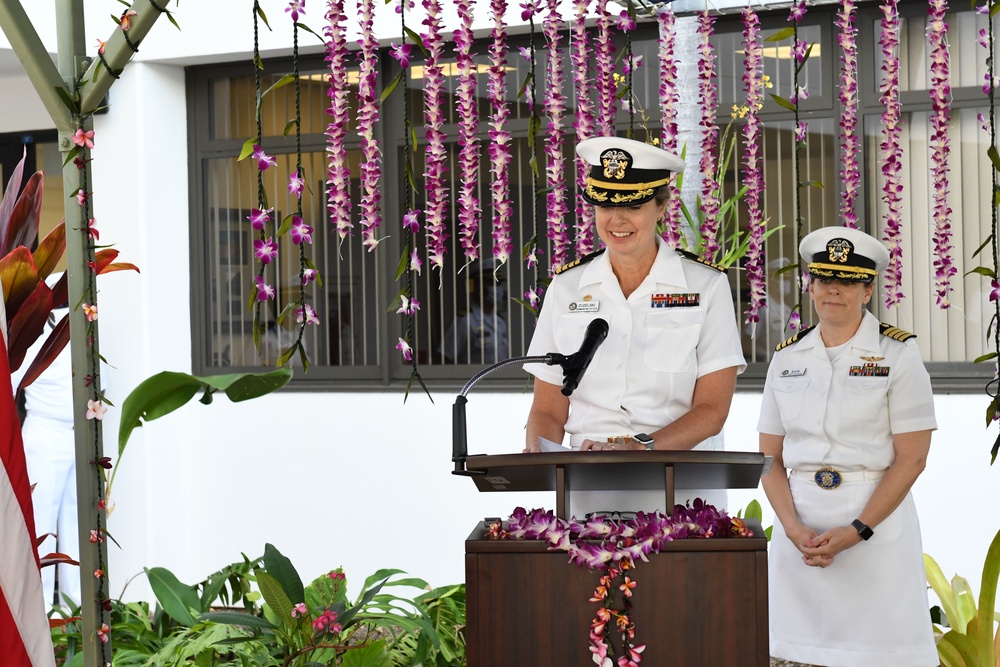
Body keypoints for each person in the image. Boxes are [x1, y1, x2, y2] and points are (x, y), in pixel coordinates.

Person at [523, 136, 746, 515]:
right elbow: (548, 409)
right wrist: (537, 456)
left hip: (679, 488)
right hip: (586, 486)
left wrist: (641, 446)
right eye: (604, 204)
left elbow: (712, 409)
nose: (616, 220)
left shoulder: (705, 286)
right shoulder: (566, 287)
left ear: (662, 205)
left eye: (633, 205)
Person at [757, 226, 937, 666]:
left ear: (868, 290)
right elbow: (769, 459)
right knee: (794, 655)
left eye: (849, 280)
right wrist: (792, 528)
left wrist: (858, 531)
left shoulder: (898, 354)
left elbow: (912, 459)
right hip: (799, 531)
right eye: (824, 279)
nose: (833, 290)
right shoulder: (787, 357)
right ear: (811, 286)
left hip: (874, 533)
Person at [11, 298, 80, 609]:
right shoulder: (30, 334)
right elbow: (10, 387)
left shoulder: (84, 330)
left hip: (78, 434)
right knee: (41, 527)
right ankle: (39, 613)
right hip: (44, 433)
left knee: (77, 524)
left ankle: (74, 608)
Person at [440, 257, 509, 365]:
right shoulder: (466, 321)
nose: (497, 288)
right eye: (491, 283)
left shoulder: (500, 322)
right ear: (477, 287)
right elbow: (443, 357)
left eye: (499, 283)